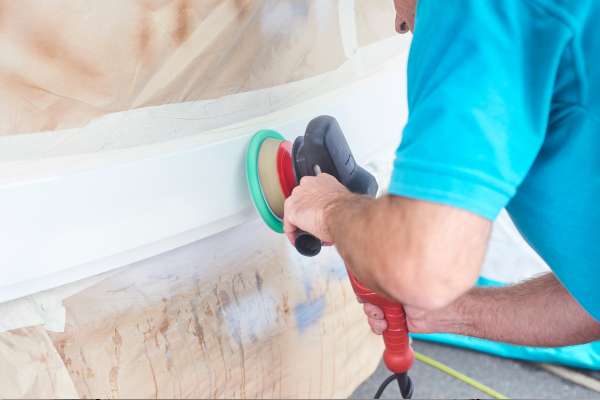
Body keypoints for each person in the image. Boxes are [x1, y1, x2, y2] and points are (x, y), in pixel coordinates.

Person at [283, 0, 600, 347]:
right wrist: (448, 310)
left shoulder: (473, 10)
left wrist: (330, 210)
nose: (400, 25)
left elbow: (425, 263)